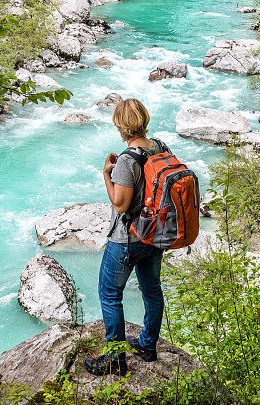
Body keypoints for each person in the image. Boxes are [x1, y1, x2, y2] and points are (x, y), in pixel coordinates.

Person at [84, 98, 170, 376]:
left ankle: (115, 359)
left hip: (127, 239)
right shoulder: (160, 147)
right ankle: (147, 346)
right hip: (154, 235)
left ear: (121, 126)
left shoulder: (126, 160)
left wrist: (107, 174)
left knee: (109, 295)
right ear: (144, 120)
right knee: (152, 291)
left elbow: (120, 205)